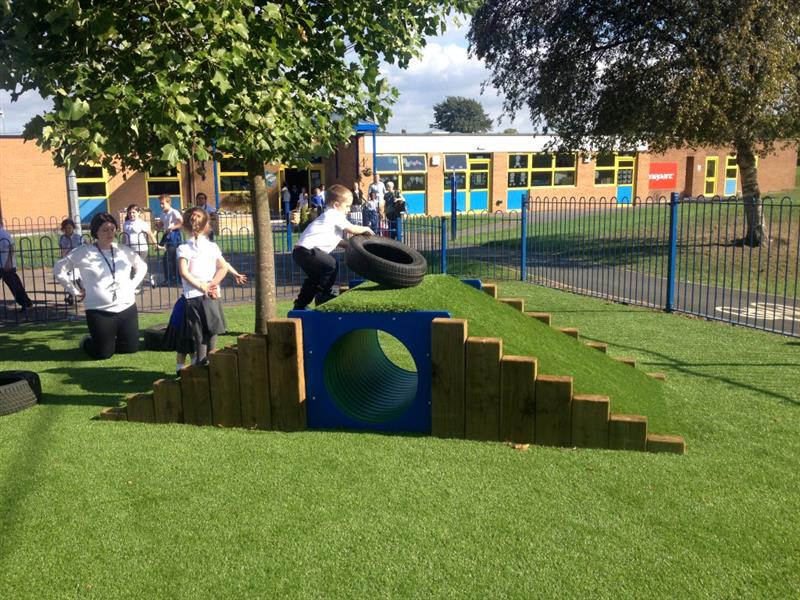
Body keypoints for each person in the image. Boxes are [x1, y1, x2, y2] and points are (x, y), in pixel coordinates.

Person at [54, 212, 147, 359]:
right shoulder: (83, 252)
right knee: (103, 353)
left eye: (112, 229)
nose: (110, 233)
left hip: (126, 307)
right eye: (105, 230)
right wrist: (74, 291)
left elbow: (141, 267)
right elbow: (59, 268)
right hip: (99, 310)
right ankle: (87, 342)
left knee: (131, 348)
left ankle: (109, 340)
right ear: (95, 232)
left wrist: (132, 284)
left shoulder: (123, 250)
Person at [177, 207, 243, 366]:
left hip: (194, 296)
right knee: (212, 331)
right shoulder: (212, 247)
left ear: (185, 226)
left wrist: (203, 286)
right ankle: (210, 363)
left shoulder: (183, 248)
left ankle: (201, 363)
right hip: (212, 293)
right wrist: (212, 285)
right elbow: (223, 267)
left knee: (199, 334)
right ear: (207, 226)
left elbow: (184, 273)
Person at [291, 183, 374, 311]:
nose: (349, 210)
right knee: (331, 264)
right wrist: (365, 228)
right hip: (307, 251)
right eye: (347, 206)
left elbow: (342, 242)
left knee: (314, 278)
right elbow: (351, 228)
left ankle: (300, 304)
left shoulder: (328, 221)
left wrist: (358, 247)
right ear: (336, 205)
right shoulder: (333, 215)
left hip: (300, 252)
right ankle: (323, 295)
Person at [122, 204, 158, 291]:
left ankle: (137, 287)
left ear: (138, 213)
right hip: (129, 249)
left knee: (138, 267)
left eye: (134, 212)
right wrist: (122, 247)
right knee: (132, 267)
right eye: (130, 213)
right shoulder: (126, 223)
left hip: (141, 249)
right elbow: (124, 236)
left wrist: (156, 245)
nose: (131, 215)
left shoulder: (142, 223)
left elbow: (150, 235)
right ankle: (150, 277)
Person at [0, 221, 34, 311]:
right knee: (15, 285)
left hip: (6, 265)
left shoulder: (3, 234)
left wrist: (9, 262)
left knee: (15, 286)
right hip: (2, 264)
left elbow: (12, 248)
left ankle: (26, 303)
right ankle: (26, 303)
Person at [157, 193, 183, 285]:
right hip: (167, 236)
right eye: (160, 203)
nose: (161, 205)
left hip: (174, 236)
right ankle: (172, 279)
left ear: (169, 203)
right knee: (170, 258)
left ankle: (172, 279)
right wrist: (155, 233)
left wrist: (172, 228)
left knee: (169, 258)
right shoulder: (163, 213)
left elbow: (181, 223)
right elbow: (161, 224)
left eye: (163, 203)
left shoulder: (174, 212)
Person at [58, 218, 83, 305]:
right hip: (67, 260)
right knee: (72, 278)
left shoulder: (78, 237)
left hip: (76, 260)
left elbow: (83, 245)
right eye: (66, 228)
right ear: (63, 229)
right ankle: (76, 295)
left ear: (73, 228)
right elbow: (62, 248)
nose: (68, 230)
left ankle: (71, 296)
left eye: (69, 228)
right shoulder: (62, 238)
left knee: (75, 278)